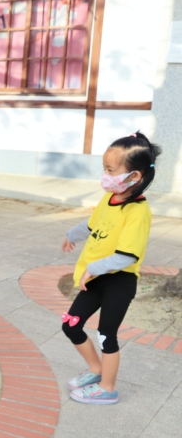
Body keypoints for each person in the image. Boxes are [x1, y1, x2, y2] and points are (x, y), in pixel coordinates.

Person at [62, 132, 160, 405]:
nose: (105, 175)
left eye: (110, 170)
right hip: (95, 278)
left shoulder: (138, 212)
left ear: (135, 176)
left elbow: (127, 256)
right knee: (71, 325)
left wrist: (93, 267)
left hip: (119, 281)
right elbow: (94, 226)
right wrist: (72, 234)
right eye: (104, 168)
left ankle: (108, 387)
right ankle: (95, 370)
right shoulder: (110, 198)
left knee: (106, 333)